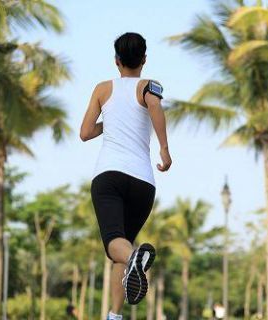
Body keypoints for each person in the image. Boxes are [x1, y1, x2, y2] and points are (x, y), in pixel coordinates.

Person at [80, 32, 172, 320]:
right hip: (143, 182)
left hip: (109, 176)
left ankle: (134, 259)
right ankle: (114, 316)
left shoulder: (102, 89)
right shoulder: (149, 86)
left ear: (116, 61)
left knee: (114, 244)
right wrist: (165, 150)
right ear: (144, 59)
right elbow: (155, 106)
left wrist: (111, 122)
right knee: (124, 243)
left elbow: (85, 133)